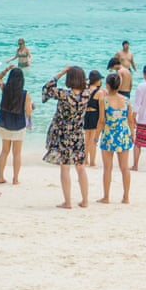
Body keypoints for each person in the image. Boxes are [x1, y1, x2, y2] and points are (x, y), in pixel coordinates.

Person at [42, 66, 95, 208]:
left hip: (63, 134)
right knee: (81, 167)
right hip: (78, 134)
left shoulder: (64, 95)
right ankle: (85, 200)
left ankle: (68, 202)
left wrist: (61, 72)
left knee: (65, 167)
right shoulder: (86, 94)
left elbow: (46, 88)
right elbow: (92, 86)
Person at [97, 71, 134, 204]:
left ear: (107, 85)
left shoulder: (104, 100)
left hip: (108, 135)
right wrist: (132, 135)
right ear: (119, 85)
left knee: (108, 168)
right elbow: (130, 120)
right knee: (125, 168)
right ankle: (126, 197)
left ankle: (106, 197)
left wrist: (95, 137)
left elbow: (101, 120)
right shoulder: (126, 101)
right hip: (123, 135)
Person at [0, 65, 32, 185]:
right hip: (19, 124)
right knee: (17, 153)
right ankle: (15, 179)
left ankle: (0, 176)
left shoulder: (5, 88)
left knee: (4, 151)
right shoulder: (25, 94)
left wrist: (6, 69)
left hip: (4, 122)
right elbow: (28, 112)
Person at [82, 69, 104, 169]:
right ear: (97, 80)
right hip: (95, 114)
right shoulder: (99, 92)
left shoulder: (84, 89)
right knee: (93, 141)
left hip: (86, 114)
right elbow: (101, 107)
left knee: (86, 139)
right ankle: (92, 162)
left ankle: (85, 160)